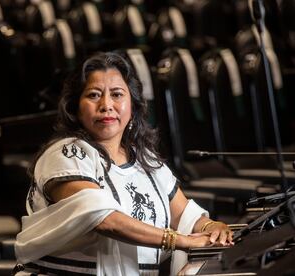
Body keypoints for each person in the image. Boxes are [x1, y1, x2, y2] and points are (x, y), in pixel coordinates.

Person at [14, 52, 233, 275]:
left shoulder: (144, 158)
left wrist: (211, 227)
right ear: (75, 108)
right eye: (93, 95)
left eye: (117, 94)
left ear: (133, 105)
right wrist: (181, 241)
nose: (106, 105)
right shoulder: (65, 154)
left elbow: (184, 214)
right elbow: (104, 219)